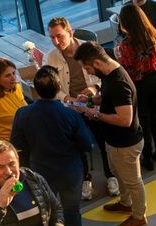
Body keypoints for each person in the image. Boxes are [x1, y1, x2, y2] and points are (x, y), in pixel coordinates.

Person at [12, 67, 99, 226]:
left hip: (40, 175)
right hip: (70, 173)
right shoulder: (70, 115)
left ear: (35, 89)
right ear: (59, 86)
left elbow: (17, 146)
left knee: (45, 217)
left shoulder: (23, 114)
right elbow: (87, 144)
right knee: (71, 213)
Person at [76, 41, 148, 226]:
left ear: (97, 63)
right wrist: (91, 99)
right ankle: (125, 203)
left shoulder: (119, 82)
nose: (88, 72)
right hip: (114, 141)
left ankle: (139, 216)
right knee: (119, 174)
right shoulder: (109, 75)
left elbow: (125, 119)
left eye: (88, 68)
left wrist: (95, 114)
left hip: (126, 143)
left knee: (133, 181)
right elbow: (108, 98)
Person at [46, 16, 111, 198]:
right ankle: (85, 179)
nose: (56, 42)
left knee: (103, 140)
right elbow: (52, 87)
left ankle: (111, 175)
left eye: (59, 36)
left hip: (92, 102)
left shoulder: (89, 49)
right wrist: (67, 98)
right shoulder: (51, 57)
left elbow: (102, 76)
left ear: (70, 32)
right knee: (76, 146)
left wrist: (91, 89)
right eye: (52, 37)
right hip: (70, 108)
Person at [116, 2, 156, 172]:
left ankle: (147, 157)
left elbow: (127, 70)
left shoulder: (126, 44)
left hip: (139, 85)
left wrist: (117, 55)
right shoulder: (155, 35)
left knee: (143, 121)